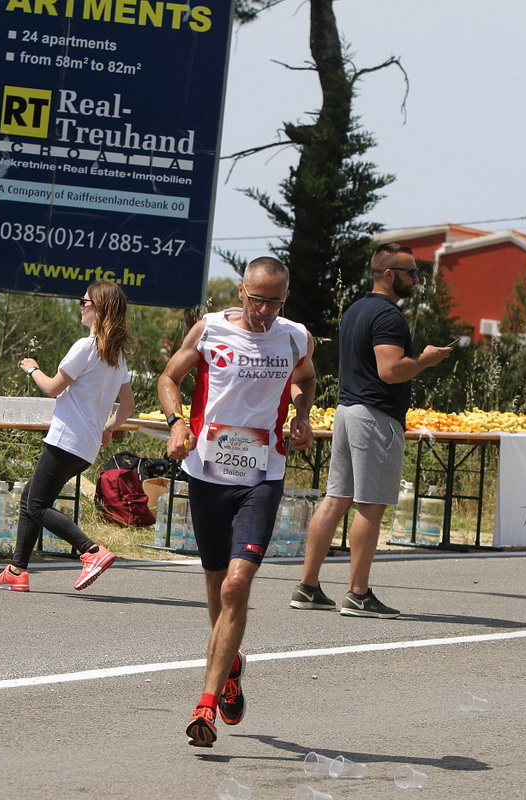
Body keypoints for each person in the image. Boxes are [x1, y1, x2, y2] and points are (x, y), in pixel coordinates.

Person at [158, 257, 316, 747]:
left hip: (261, 475)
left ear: (285, 298)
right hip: (206, 471)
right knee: (214, 584)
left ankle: (203, 705)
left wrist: (301, 417)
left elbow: (307, 380)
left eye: (274, 301)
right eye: (255, 298)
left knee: (235, 584)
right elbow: (168, 379)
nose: (263, 310)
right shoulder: (209, 331)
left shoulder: (295, 337)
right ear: (241, 290)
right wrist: (176, 422)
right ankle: (229, 669)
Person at [291, 242, 452, 619]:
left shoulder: (355, 310)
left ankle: (308, 587)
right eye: (411, 272)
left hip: (347, 411)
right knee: (370, 504)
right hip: (376, 416)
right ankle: (358, 594)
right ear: (389, 274)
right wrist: (425, 361)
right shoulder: (388, 317)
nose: (417, 278)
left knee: (335, 500)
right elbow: (390, 370)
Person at [0, 280, 135, 593]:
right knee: (31, 498)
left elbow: (53, 387)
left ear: (100, 309)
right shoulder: (116, 356)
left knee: (36, 505)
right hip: (87, 444)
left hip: (67, 438)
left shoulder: (86, 347)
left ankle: (92, 551)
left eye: (86, 302)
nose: (81, 306)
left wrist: (31, 368)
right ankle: (16, 570)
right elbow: (129, 406)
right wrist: (107, 428)